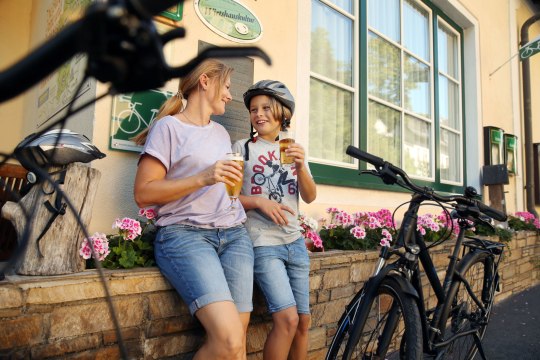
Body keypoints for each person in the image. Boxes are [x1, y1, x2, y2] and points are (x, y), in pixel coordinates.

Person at [132, 59, 254, 360]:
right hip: (186, 236)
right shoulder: (168, 127)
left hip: (235, 236)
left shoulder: (221, 134)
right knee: (228, 341)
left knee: (237, 344)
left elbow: (227, 191)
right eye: (226, 87)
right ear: (205, 81)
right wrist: (204, 177)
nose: (229, 95)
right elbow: (143, 193)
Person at [232, 80, 317, 360]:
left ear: (283, 113)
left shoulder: (293, 148)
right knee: (288, 320)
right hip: (263, 244)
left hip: (295, 243)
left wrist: (301, 166)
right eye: (254, 109)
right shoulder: (242, 148)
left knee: (303, 322)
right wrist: (258, 202)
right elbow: (228, 198)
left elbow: (310, 196)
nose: (258, 114)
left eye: (266, 108)